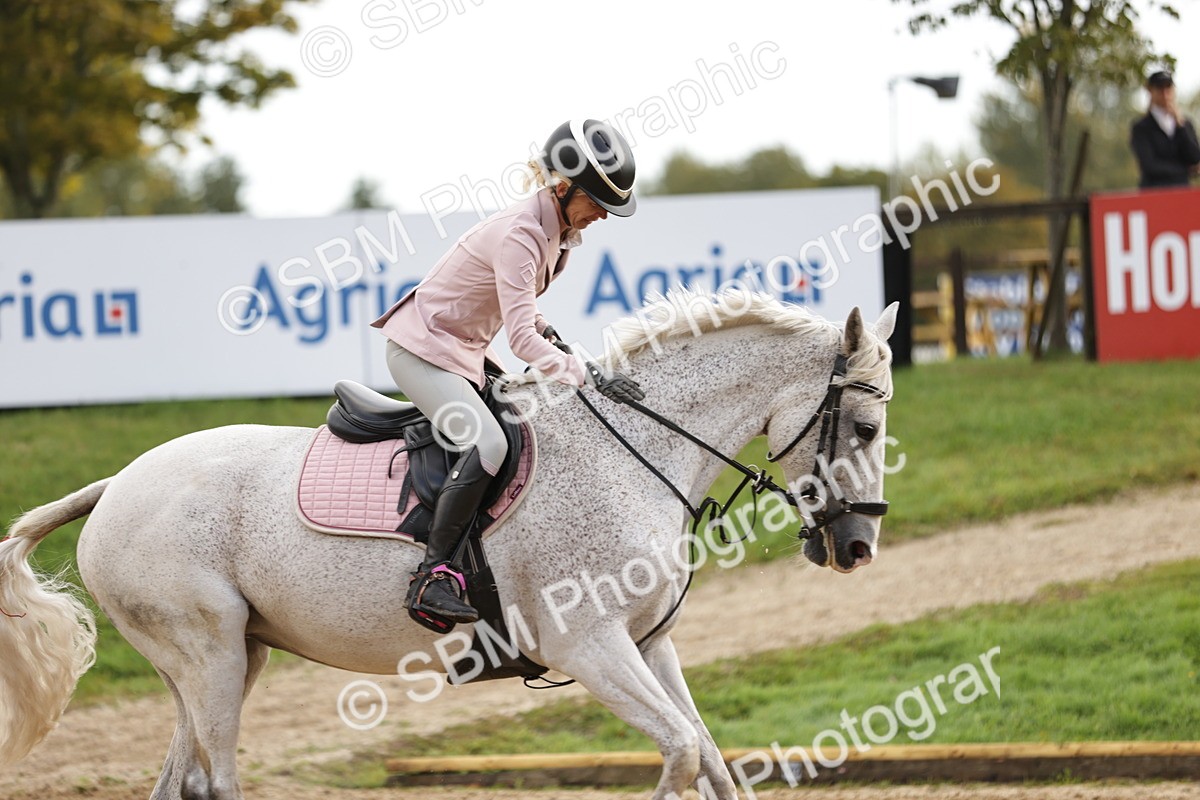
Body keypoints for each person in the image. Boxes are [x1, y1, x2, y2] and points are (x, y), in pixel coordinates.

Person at [370, 119, 646, 627]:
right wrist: (586, 373)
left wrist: (560, 342)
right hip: (423, 351)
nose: (604, 215)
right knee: (489, 446)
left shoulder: (555, 231)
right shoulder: (523, 233)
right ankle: (431, 576)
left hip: (460, 349)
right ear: (563, 187)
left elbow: (522, 313)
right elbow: (519, 340)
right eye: (599, 202)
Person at [1130, 70, 1200, 189]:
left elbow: (1194, 158)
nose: (1165, 93)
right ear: (1151, 91)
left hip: (1182, 191)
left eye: (1168, 88)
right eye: (1160, 89)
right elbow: (1149, 165)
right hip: (1154, 192)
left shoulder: (1185, 124)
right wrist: (1185, 170)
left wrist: (1180, 126)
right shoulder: (1141, 127)